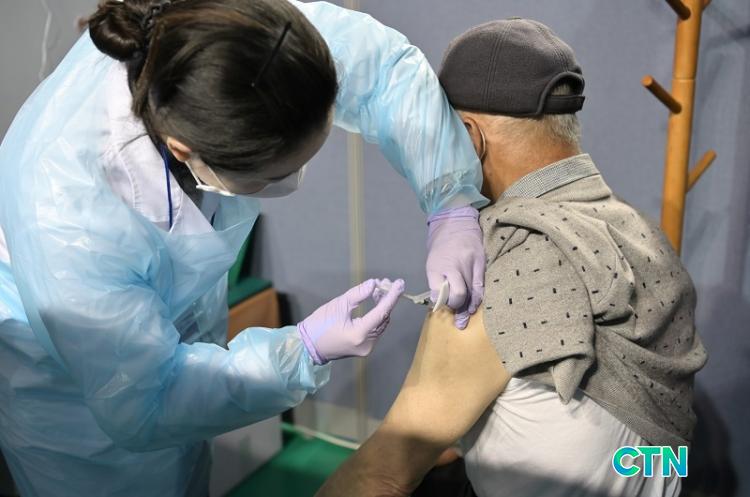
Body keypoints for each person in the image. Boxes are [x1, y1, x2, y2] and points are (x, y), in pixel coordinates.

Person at [0, 1, 490, 496]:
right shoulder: (70, 216)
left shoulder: (243, 37)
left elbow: (382, 72)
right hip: (74, 402)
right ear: (183, 149)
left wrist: (449, 198)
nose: (292, 183)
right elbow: (149, 402)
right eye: (273, 176)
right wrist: (302, 351)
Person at [315, 19, 708, 497]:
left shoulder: (508, 259)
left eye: (439, 139)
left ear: (469, 137)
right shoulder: (638, 233)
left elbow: (381, 476)